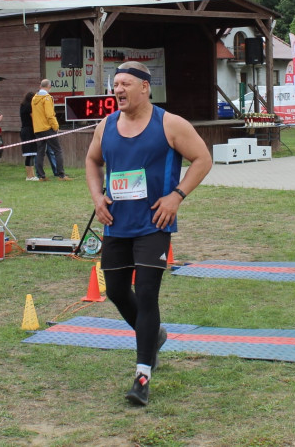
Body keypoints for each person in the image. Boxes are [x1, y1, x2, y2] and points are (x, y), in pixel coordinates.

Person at [85, 61, 212, 406]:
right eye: (115, 86)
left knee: (147, 292)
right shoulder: (106, 126)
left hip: (154, 223)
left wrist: (177, 196)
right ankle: (154, 335)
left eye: (125, 84)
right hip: (116, 223)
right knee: (115, 291)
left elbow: (202, 158)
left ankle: (142, 374)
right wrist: (97, 197)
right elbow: (92, 161)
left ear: (145, 87)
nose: (118, 90)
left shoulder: (170, 124)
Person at [32, 79, 72, 181]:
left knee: (40, 152)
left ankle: (41, 176)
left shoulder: (34, 98)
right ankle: (61, 175)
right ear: (49, 87)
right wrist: (55, 126)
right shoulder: (47, 98)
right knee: (57, 150)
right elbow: (49, 115)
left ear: (40, 86)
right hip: (48, 128)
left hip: (38, 129)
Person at [19, 91, 39, 181]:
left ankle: (32, 174)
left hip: (25, 130)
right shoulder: (29, 107)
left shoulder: (23, 105)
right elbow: (34, 118)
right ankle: (29, 176)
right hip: (28, 131)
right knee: (30, 154)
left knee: (31, 154)